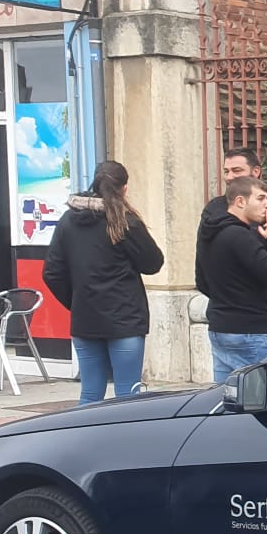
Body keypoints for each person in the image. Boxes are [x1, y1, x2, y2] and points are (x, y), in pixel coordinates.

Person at [42, 160, 164, 404]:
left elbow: (52, 273)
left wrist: (77, 300)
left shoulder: (68, 221)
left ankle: (86, 441)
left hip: (86, 319)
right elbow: (153, 263)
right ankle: (126, 442)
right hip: (125, 319)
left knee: (90, 393)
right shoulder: (125, 222)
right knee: (128, 395)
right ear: (124, 189)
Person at [198, 176, 267, 382]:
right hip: (252, 331)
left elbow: (201, 280)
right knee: (262, 399)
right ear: (240, 201)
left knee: (225, 399)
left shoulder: (209, 233)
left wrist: (228, 298)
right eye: (261, 198)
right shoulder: (240, 236)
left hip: (221, 328)